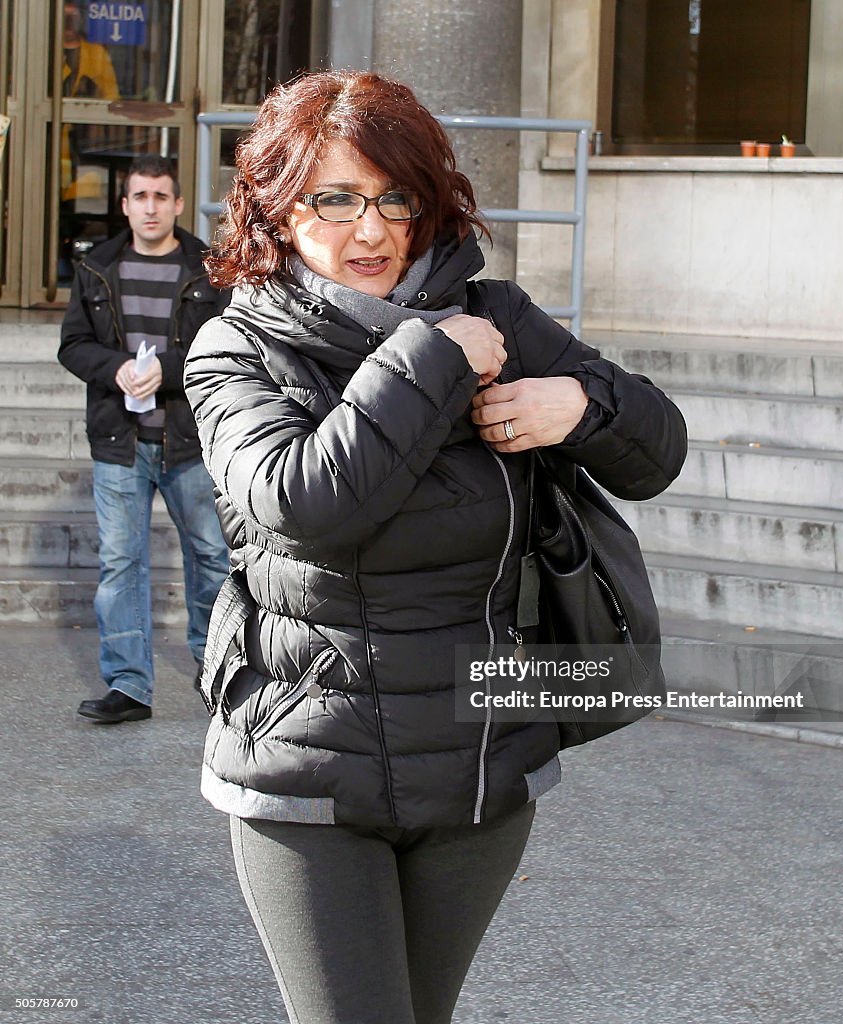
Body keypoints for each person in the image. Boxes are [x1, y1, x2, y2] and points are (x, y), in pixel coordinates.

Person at [184, 71, 687, 1023]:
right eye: (333, 198)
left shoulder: (496, 313)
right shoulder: (235, 348)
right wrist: (432, 354)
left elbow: (657, 450)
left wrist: (581, 408)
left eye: (394, 197)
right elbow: (305, 501)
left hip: (476, 768)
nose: (369, 230)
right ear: (278, 209)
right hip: (305, 776)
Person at [59, 154, 229, 724]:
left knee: (210, 557)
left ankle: (218, 675)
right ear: (125, 204)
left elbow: (233, 343)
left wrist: (172, 368)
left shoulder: (210, 269)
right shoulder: (97, 267)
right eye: (140, 197)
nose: (151, 207)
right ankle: (129, 686)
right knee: (120, 562)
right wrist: (116, 369)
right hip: (119, 440)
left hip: (189, 441)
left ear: (178, 204)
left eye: (161, 197)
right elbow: (73, 344)